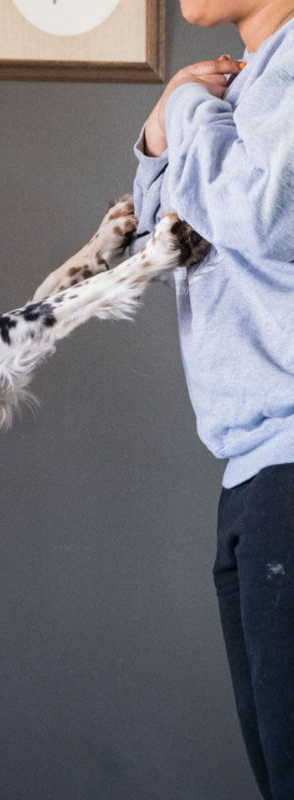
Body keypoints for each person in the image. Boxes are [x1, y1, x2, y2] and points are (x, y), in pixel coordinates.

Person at [132, 1, 294, 797]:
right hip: (253, 471)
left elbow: (256, 218)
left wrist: (186, 104)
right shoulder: (253, 80)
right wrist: (159, 140)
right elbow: (164, 245)